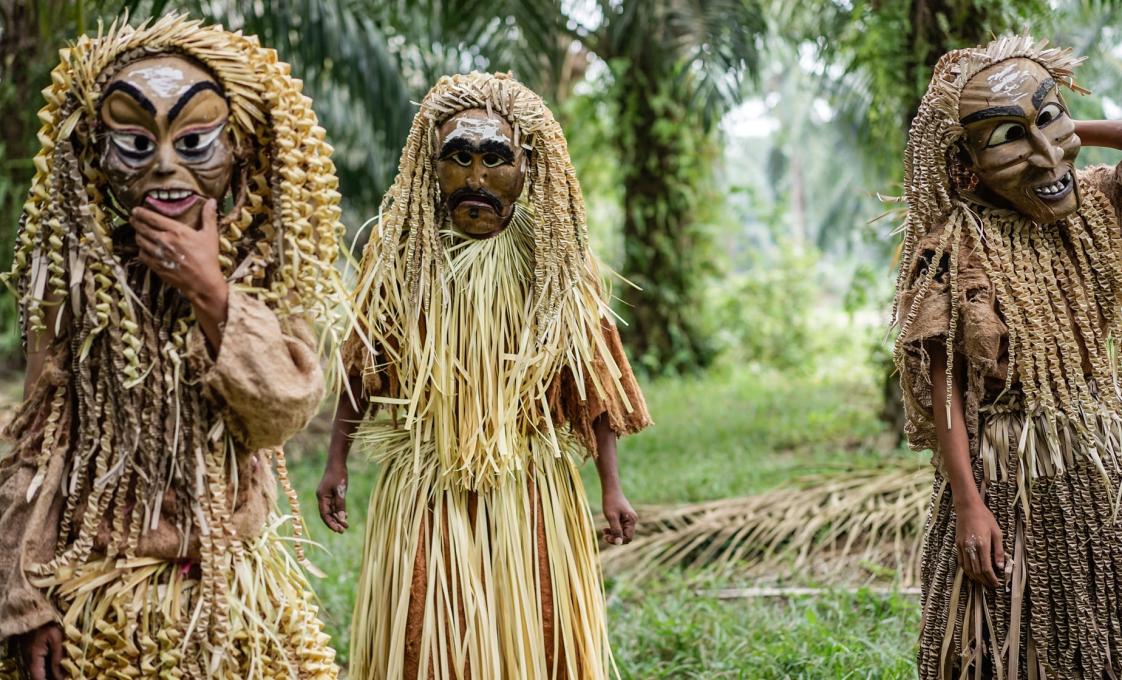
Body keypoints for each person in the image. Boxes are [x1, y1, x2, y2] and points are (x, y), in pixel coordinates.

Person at [0, 15, 347, 678]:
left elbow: (284, 408)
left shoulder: (266, 278)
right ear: (94, 154)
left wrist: (211, 293)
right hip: (98, 602)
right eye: (133, 141)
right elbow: (37, 446)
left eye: (194, 141)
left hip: (228, 606)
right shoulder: (73, 283)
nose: (164, 165)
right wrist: (24, 597)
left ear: (242, 148)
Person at [319, 71, 652, 679]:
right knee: (426, 631)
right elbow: (361, 366)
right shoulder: (400, 259)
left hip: (527, 486)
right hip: (425, 482)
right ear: (429, 165)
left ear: (528, 166)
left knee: (536, 629)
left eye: (495, 160)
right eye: (459, 158)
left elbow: (594, 382)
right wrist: (335, 461)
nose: (475, 179)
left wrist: (611, 486)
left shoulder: (555, 265)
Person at [895, 35, 1122, 679]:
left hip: (1099, 457)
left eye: (1051, 118)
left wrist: (1065, 126)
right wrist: (970, 502)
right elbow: (945, 391)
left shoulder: (1098, 209)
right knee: (1001, 643)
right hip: (1005, 469)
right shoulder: (955, 250)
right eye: (1006, 138)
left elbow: (1061, 148)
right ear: (963, 165)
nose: (1049, 155)